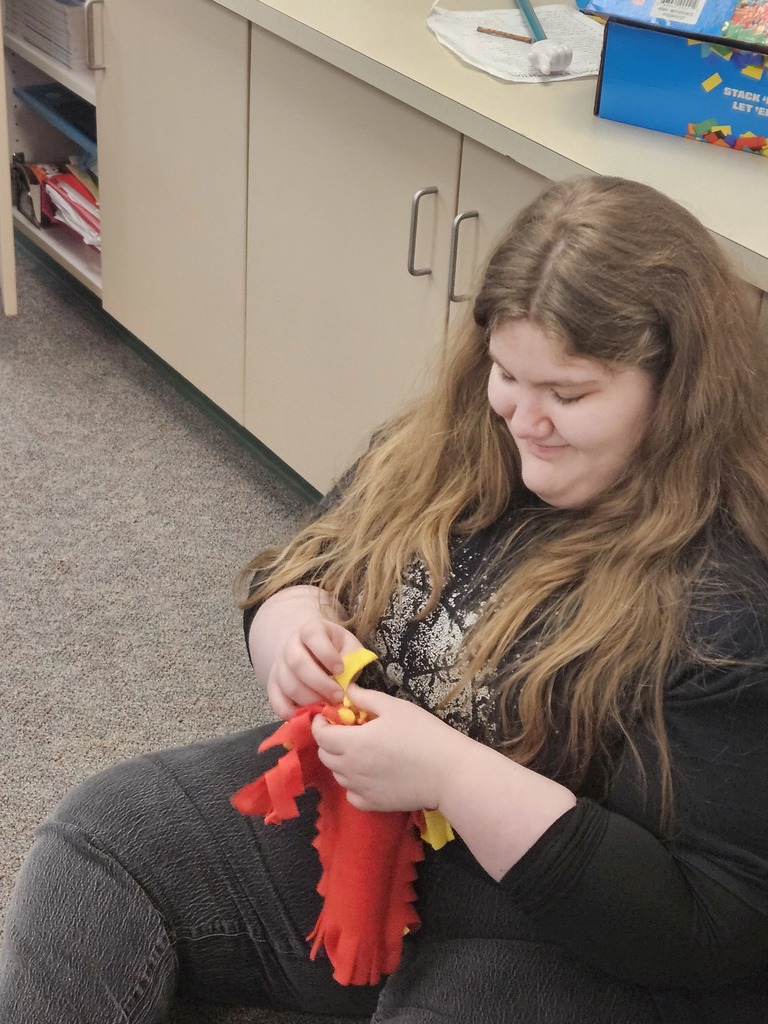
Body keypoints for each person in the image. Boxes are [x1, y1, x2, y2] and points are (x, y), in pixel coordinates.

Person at [2, 175, 768, 1024]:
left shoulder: (730, 600)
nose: (523, 420)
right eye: (508, 374)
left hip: (571, 927)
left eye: (570, 394)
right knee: (102, 843)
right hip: (370, 832)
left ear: (679, 393)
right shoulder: (455, 442)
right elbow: (306, 560)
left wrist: (453, 773)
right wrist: (290, 623)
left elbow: (709, 924)